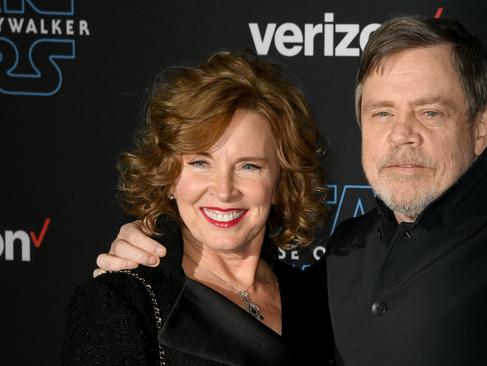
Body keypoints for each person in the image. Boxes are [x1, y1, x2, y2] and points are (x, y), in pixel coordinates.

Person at [94, 17, 487, 366]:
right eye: (382, 113)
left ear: (483, 128)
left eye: (430, 112)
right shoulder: (344, 257)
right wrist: (152, 239)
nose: (403, 135)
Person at [63, 51, 333, 365]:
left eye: (248, 166)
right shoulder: (121, 303)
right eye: (200, 163)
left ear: (279, 183)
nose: (223, 190)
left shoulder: (315, 301)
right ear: (168, 177)